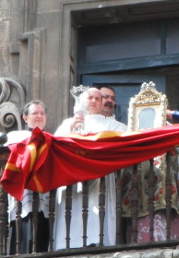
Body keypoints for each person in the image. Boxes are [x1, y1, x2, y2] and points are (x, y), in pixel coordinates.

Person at [54, 87, 126, 249]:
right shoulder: (69, 123)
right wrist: (71, 130)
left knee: (97, 215)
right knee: (72, 212)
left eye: (97, 98)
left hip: (99, 178)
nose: (94, 101)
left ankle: (97, 242)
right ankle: (66, 244)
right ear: (83, 101)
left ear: (101, 103)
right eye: (90, 98)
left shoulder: (114, 125)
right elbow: (55, 145)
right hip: (72, 178)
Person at [6, 100, 50, 254]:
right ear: (25, 118)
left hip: (44, 197)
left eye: (42, 113)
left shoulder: (49, 138)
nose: (39, 116)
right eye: (35, 113)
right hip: (24, 197)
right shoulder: (17, 136)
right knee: (25, 238)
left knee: (41, 238)